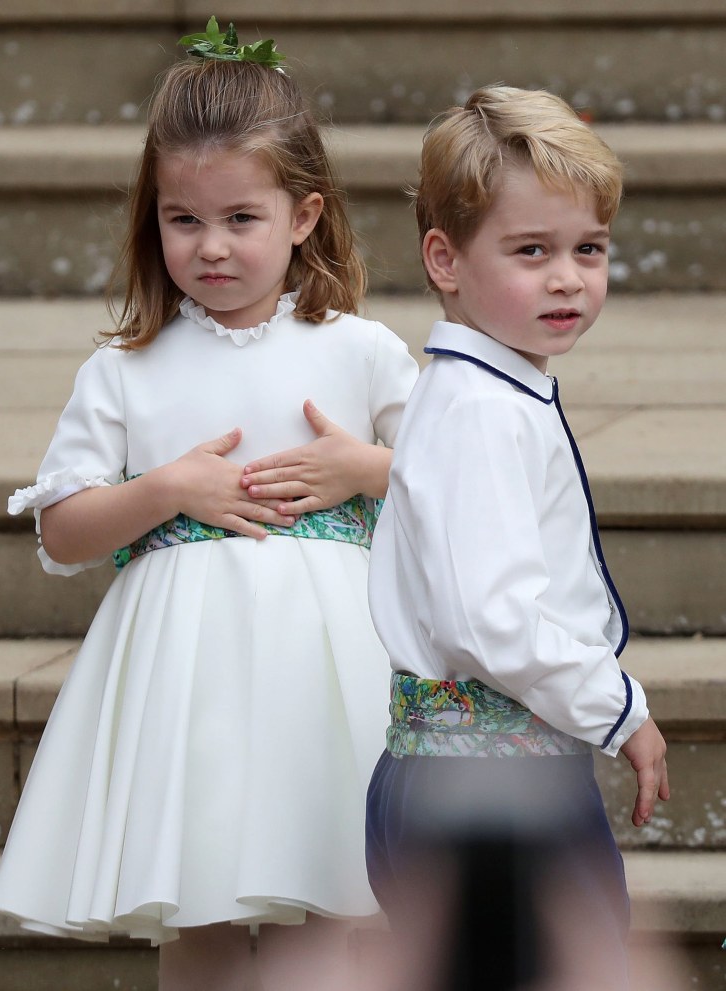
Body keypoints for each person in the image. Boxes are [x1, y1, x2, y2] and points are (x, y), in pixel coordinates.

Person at [0, 20, 418, 991]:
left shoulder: (357, 349)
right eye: (184, 221)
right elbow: (63, 529)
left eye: (240, 220)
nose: (211, 247)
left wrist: (363, 468)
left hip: (326, 668)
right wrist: (165, 489)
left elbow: (456, 481)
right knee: (201, 897)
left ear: (303, 216)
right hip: (187, 682)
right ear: (154, 218)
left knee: (322, 891)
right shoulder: (126, 370)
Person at [365, 86, 670, 990]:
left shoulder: (483, 391)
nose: (568, 277)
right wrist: (618, 705)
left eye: (589, 249)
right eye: (531, 251)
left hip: (477, 773)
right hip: (490, 789)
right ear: (444, 259)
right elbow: (489, 618)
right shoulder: (481, 413)